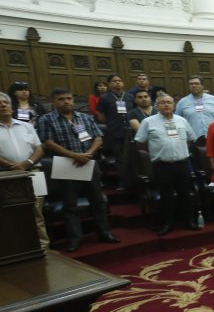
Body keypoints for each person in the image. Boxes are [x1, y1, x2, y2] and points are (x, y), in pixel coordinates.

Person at [38, 88, 121, 252]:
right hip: (65, 164)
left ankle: (105, 233)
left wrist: (88, 154)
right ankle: (75, 238)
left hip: (88, 162)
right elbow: (48, 142)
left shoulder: (84, 117)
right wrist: (74, 155)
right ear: (54, 102)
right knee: (70, 204)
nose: (66, 101)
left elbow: (98, 137)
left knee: (98, 200)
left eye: (69, 98)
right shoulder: (46, 119)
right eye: (61, 99)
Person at [134, 93, 199, 236]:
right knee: (166, 195)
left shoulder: (182, 120)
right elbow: (140, 142)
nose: (166, 105)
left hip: (182, 163)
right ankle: (167, 223)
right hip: (162, 165)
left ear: (174, 105)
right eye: (162, 103)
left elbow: (191, 138)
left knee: (185, 194)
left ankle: (189, 220)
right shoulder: (148, 122)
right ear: (156, 106)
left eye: (169, 102)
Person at [0, 92, 50, 250]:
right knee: (10, 216)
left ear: (11, 106)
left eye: (5, 102)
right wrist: (10, 165)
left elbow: (39, 148)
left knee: (37, 213)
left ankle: (44, 247)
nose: (2, 105)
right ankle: (20, 249)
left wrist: (27, 163)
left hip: (33, 171)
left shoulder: (26, 126)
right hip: (5, 175)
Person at [96, 73, 134, 190]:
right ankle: (123, 183)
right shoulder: (105, 98)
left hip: (130, 132)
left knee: (132, 158)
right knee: (120, 159)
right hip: (114, 132)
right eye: (114, 81)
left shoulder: (129, 97)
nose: (117, 83)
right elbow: (101, 115)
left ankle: (134, 181)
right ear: (109, 84)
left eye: (119, 80)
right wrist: (110, 123)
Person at [175, 75, 214, 141]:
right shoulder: (182, 102)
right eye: (191, 84)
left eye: (196, 83)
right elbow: (177, 121)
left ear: (202, 86)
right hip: (194, 140)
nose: (193, 86)